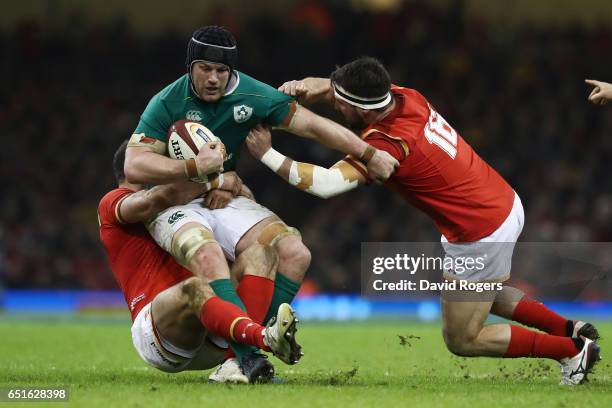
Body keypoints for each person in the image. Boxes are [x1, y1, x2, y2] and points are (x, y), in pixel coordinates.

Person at [246, 57, 601, 385]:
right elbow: (335, 91)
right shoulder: (404, 96)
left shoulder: (389, 144)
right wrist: (307, 85)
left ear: (359, 108)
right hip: (499, 200)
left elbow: (324, 184)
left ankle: (571, 352)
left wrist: (268, 154)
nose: (335, 106)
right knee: (477, 293)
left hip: (480, 227)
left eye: (341, 104)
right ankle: (571, 329)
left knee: (463, 336)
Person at [123, 26, 398, 375]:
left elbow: (313, 126)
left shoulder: (254, 96)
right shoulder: (167, 102)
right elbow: (134, 165)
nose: (213, 79)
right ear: (190, 66)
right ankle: (248, 355)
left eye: (221, 71)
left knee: (294, 252)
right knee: (207, 254)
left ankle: (238, 360)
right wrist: (194, 166)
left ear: (232, 71)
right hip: (173, 201)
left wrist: (368, 153)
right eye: (204, 69)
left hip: (224, 195)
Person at [98, 141, 302, 384]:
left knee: (262, 253)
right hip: (162, 334)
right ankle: (262, 339)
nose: (171, 166)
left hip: (215, 328)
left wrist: (232, 188)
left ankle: (236, 364)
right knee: (195, 287)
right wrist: (212, 180)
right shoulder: (114, 201)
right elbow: (148, 202)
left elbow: (242, 214)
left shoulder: (181, 197)